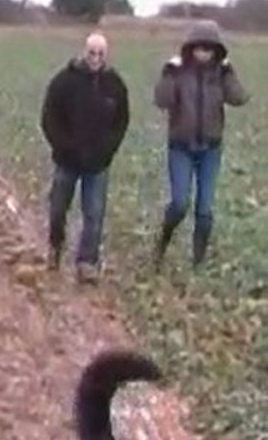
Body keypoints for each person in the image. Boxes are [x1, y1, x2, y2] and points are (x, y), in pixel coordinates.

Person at [152, 19, 249, 267]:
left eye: (209, 48)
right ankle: (162, 242)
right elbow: (162, 100)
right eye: (199, 47)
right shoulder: (178, 71)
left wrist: (229, 72)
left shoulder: (220, 74)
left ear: (216, 50)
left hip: (210, 149)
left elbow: (239, 98)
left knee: (205, 210)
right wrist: (168, 72)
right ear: (190, 47)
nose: (204, 53)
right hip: (181, 148)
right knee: (180, 203)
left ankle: (198, 261)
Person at [40, 32, 130, 283]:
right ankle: (55, 248)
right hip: (66, 160)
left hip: (98, 163)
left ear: (106, 55)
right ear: (84, 52)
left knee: (94, 213)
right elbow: (49, 117)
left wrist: (108, 149)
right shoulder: (64, 82)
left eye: (101, 53)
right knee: (58, 209)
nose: (96, 58)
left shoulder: (115, 85)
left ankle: (86, 262)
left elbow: (121, 122)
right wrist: (63, 145)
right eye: (92, 52)